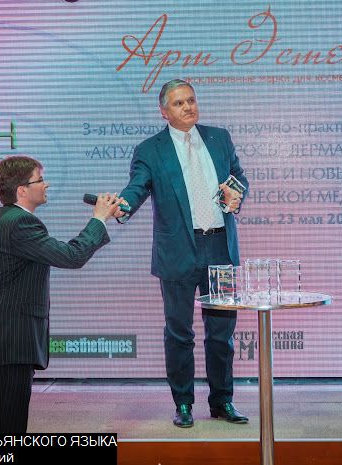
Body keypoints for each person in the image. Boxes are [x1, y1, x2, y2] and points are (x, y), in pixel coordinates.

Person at [117, 79, 249, 428]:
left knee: (222, 333)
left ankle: (223, 400)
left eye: (191, 100)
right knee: (179, 333)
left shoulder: (219, 138)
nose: (188, 107)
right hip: (177, 251)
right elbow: (136, 187)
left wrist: (237, 195)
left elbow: (239, 178)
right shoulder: (151, 150)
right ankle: (184, 403)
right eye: (179, 103)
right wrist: (122, 206)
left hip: (220, 249)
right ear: (164, 111)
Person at [0, 155, 123, 433]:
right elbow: (72, 256)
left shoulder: (3, 220)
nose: (46, 185)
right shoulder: (20, 223)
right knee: (8, 429)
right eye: (40, 179)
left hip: (3, 340)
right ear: (22, 190)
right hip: (11, 341)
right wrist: (98, 218)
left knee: (3, 428)